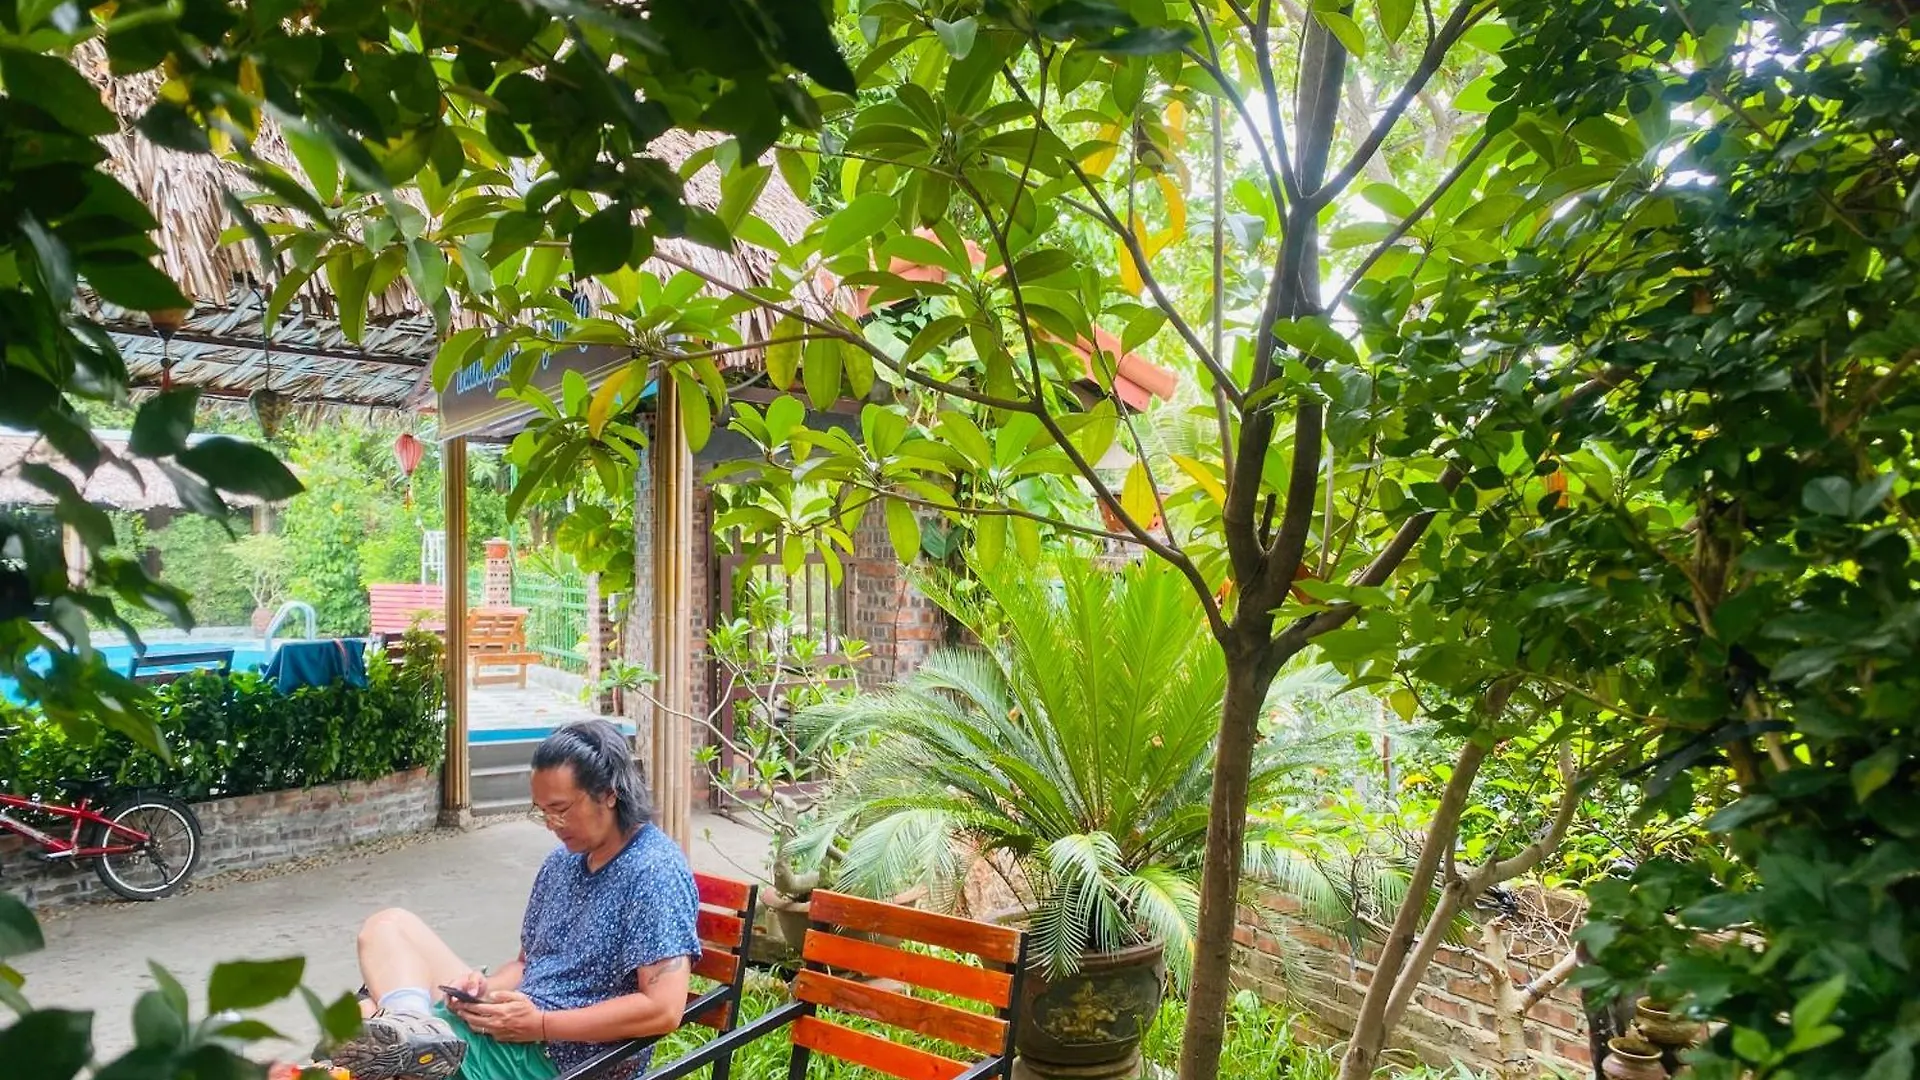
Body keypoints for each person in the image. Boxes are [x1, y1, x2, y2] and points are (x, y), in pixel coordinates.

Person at [324, 720, 700, 1080]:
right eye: (542, 811)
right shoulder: (561, 863)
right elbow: (527, 964)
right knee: (388, 927)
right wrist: (485, 989)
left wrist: (540, 1025)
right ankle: (415, 1027)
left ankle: (408, 1034)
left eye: (561, 809)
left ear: (609, 793)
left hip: (561, 1058)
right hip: (511, 1022)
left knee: (365, 1025)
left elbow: (663, 1009)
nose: (551, 824)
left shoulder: (653, 871)